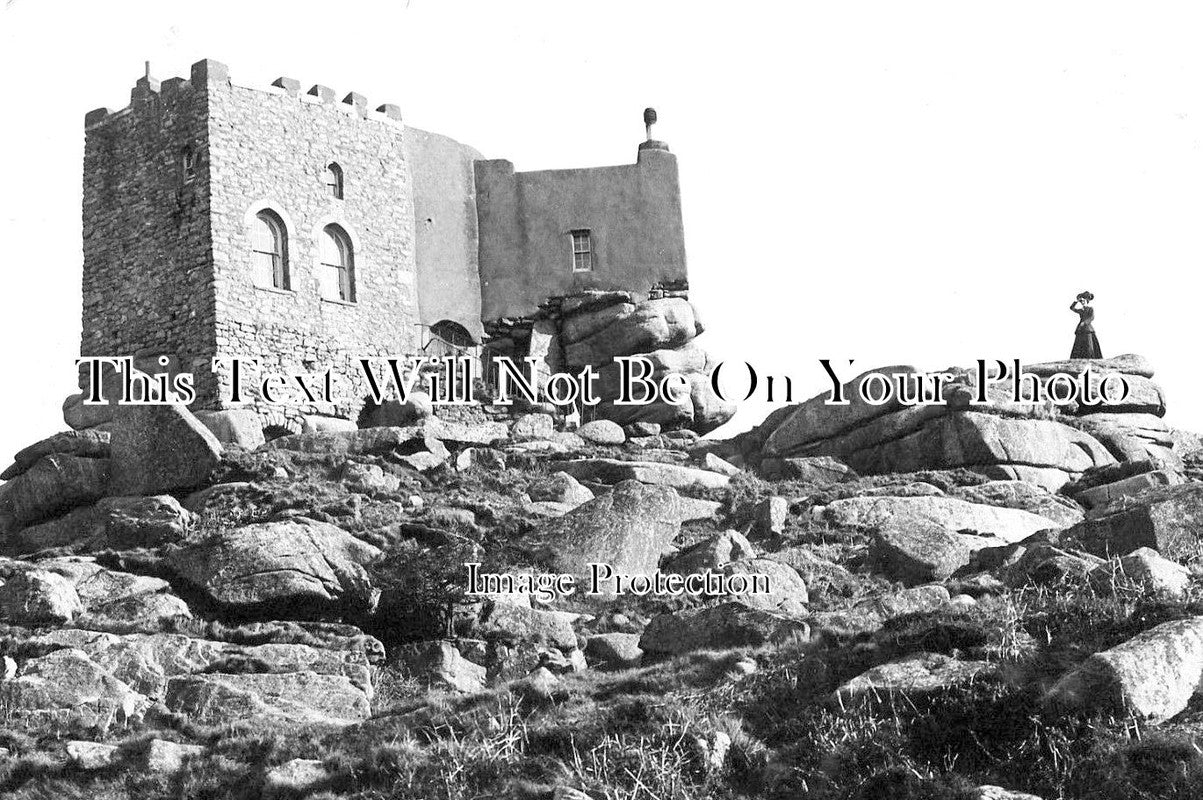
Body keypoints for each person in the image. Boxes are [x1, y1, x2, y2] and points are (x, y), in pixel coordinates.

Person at [1069, 291, 1102, 359]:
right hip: (1081, 329)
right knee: (1079, 344)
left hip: (1087, 329)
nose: (1082, 302)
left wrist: (1084, 323)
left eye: (1083, 301)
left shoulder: (1090, 309)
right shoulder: (1081, 310)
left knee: (1089, 345)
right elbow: (1072, 308)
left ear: (1087, 301)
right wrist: (1076, 301)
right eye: (1081, 301)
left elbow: (1092, 317)